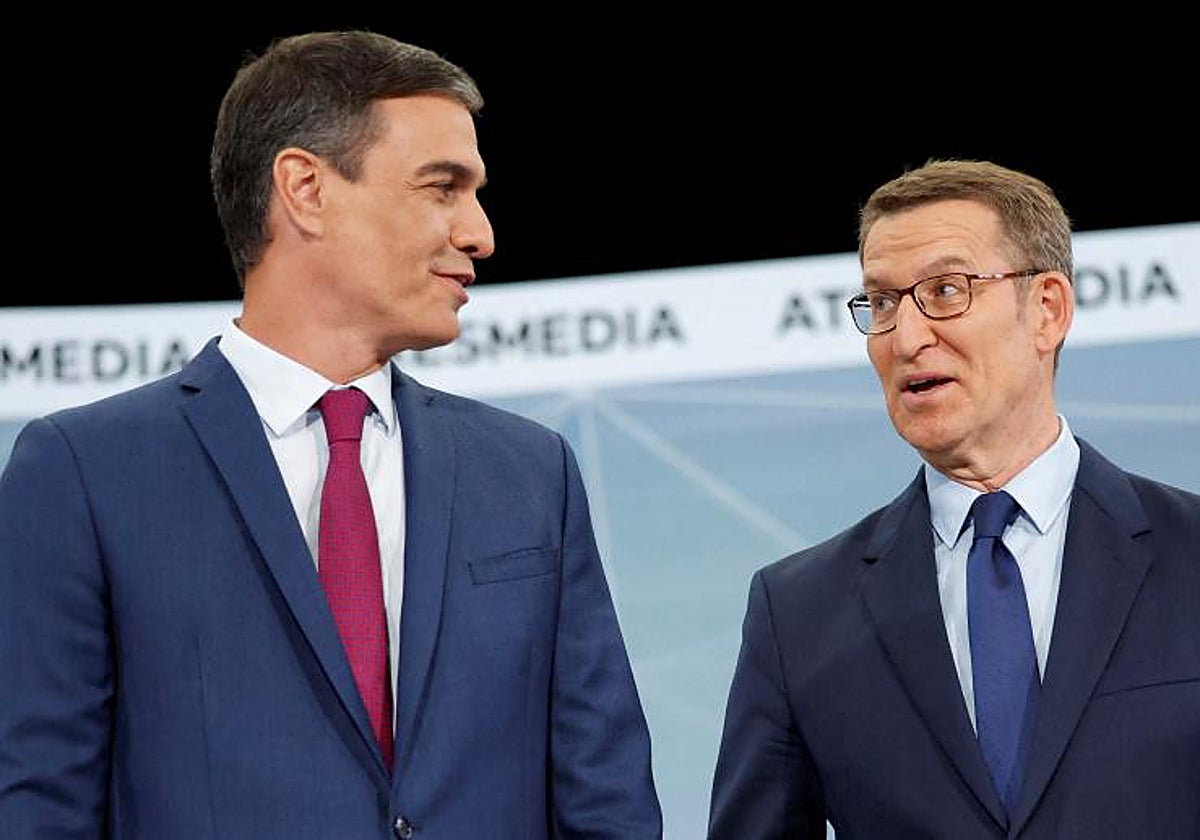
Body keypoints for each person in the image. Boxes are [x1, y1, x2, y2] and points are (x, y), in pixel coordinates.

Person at [0, 30, 662, 839]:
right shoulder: (82, 474)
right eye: (442, 187)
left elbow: (608, 805)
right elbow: (37, 809)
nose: (480, 233)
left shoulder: (531, 473)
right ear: (305, 189)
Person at [707, 159, 1200, 838]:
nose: (908, 338)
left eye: (945, 290)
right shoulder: (796, 615)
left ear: (1047, 310)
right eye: (882, 303)